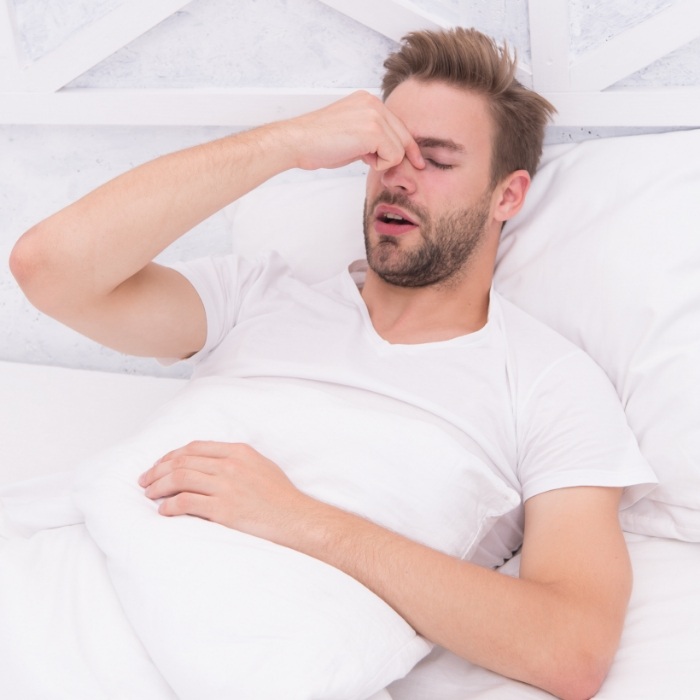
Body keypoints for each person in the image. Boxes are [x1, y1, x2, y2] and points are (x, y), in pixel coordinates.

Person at [10, 27, 654, 700]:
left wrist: (296, 517)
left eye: (435, 158)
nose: (399, 177)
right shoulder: (256, 296)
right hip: (52, 593)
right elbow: (47, 269)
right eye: (387, 151)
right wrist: (284, 142)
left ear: (508, 196)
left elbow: (570, 648)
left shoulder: (551, 384)